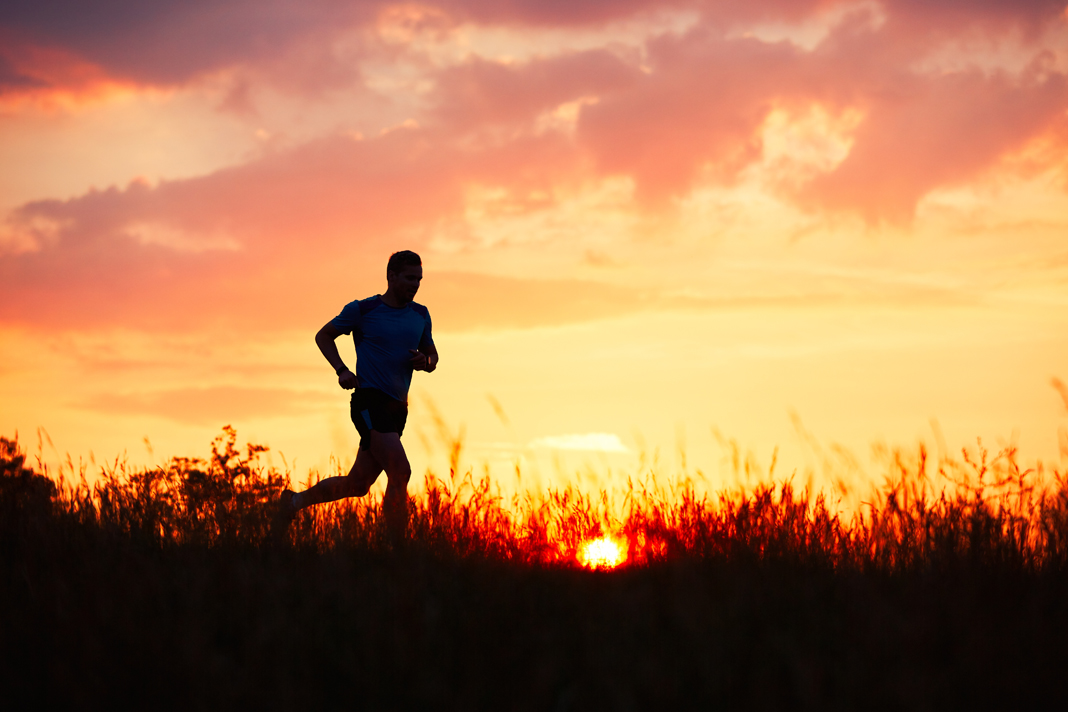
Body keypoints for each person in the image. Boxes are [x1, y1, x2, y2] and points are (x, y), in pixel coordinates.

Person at [278, 250, 437, 539]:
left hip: (398, 408)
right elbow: (323, 335)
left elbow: (433, 357)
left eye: (419, 279)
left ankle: (292, 503)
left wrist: (424, 362)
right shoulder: (363, 310)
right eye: (409, 278)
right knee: (400, 471)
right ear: (391, 276)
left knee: (358, 484)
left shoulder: (421, 314)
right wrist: (341, 370)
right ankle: (396, 546)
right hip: (369, 400)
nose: (415, 285)